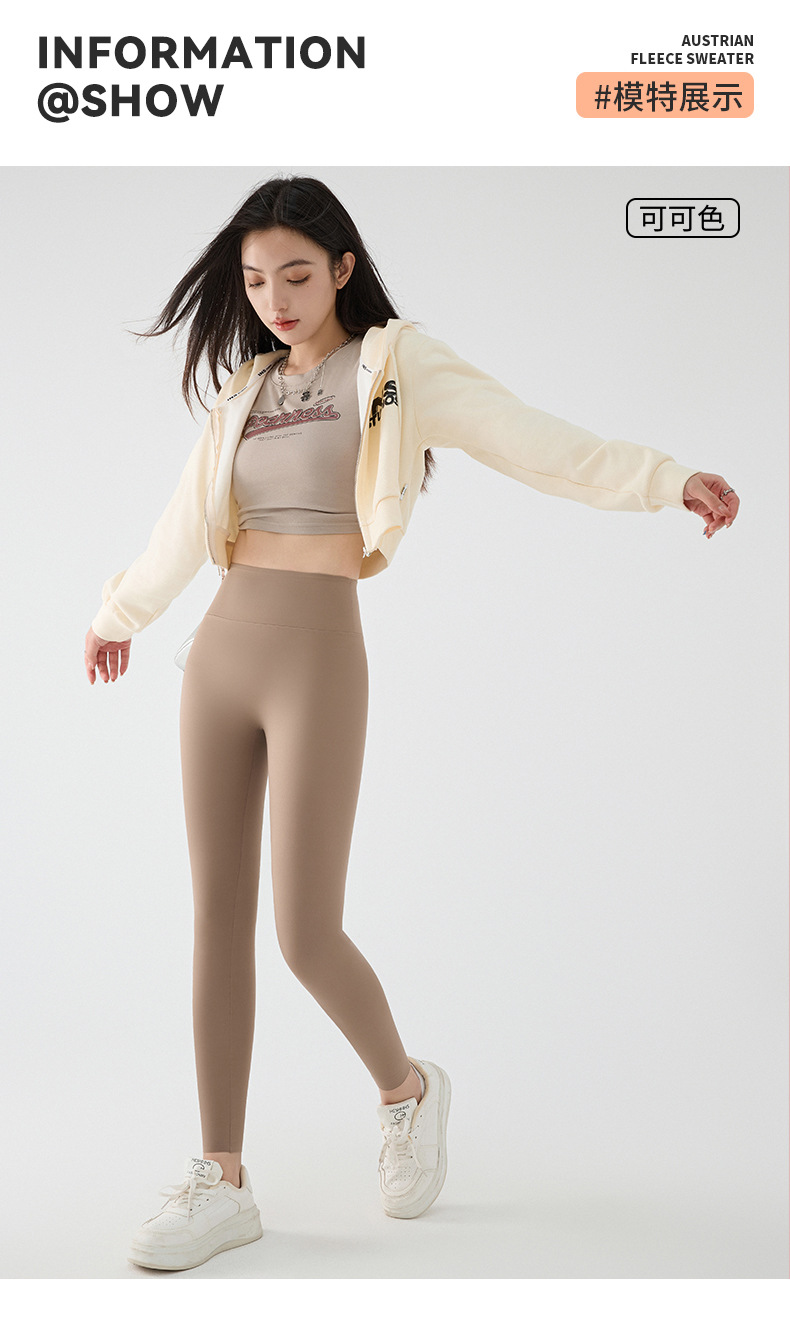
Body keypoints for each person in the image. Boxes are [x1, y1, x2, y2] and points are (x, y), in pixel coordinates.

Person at [84, 175, 739, 1273]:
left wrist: (663, 479)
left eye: (298, 274)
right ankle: (222, 1177)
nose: (276, 299)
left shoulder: (393, 367)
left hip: (316, 657)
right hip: (221, 655)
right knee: (215, 922)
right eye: (257, 280)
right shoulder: (244, 388)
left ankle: (405, 1089)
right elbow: (181, 525)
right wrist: (119, 615)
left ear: (343, 268)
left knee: (305, 931)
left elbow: (531, 439)